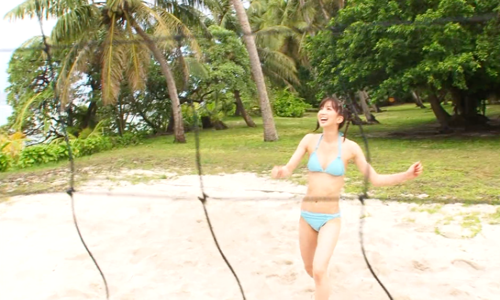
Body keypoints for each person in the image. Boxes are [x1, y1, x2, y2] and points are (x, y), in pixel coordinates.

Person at [271, 96, 423, 300]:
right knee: (311, 269)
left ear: (340, 118)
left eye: (329, 109)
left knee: (318, 270)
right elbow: (289, 168)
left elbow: (375, 179)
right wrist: (281, 171)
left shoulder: (351, 148)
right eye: (321, 108)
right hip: (306, 216)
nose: (322, 112)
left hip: (330, 220)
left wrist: (406, 175)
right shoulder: (309, 140)